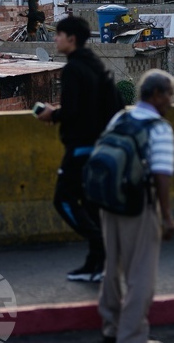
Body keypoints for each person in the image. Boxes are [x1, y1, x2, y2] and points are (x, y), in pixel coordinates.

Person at [37, 16, 124, 282]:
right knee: (91, 205)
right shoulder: (95, 64)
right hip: (101, 146)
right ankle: (96, 264)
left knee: (63, 199)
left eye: (58, 35)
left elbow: (74, 111)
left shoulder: (74, 68)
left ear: (71, 39)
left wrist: (53, 115)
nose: (55, 39)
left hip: (80, 148)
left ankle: (100, 246)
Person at [98, 69, 174, 343]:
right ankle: (131, 336)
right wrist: (166, 216)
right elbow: (162, 176)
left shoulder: (121, 116)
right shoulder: (159, 128)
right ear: (156, 95)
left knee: (112, 267)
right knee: (140, 273)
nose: (171, 101)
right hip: (138, 206)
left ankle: (111, 327)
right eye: (169, 94)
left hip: (109, 203)